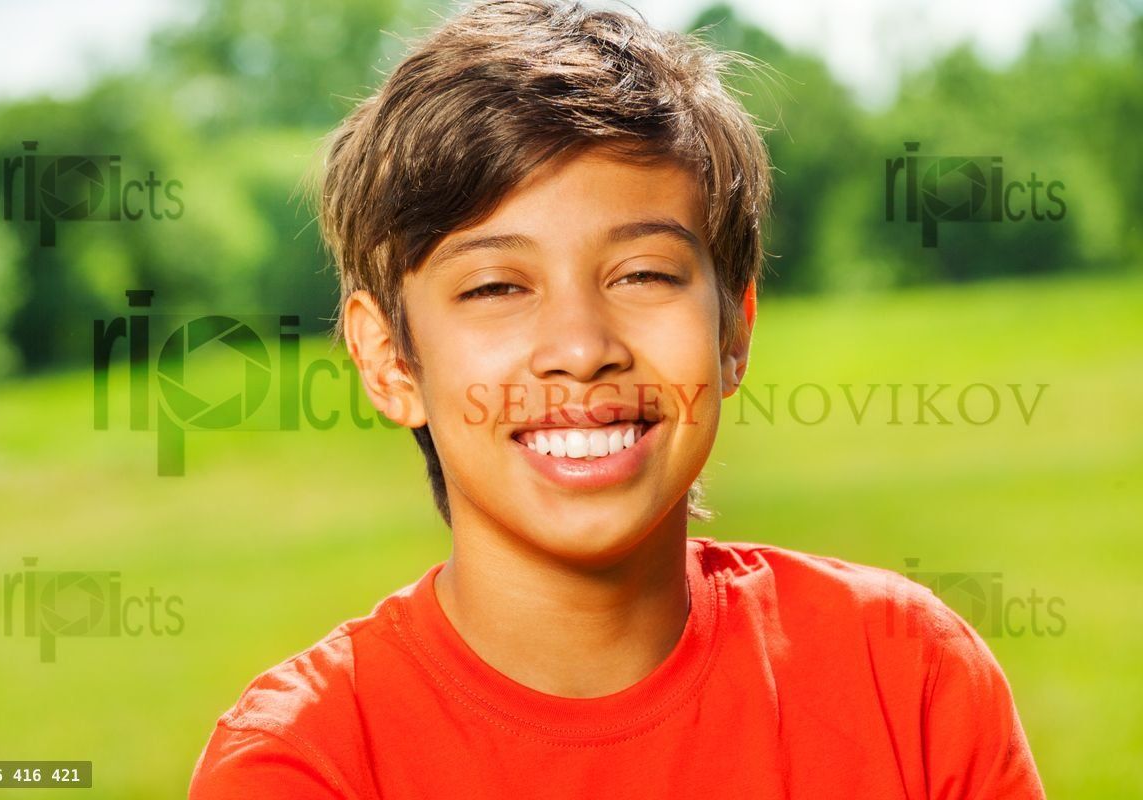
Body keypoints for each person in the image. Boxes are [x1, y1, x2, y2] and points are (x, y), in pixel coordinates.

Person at [189, 1, 1046, 797]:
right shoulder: (307, 761)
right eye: (494, 287)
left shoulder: (904, 674)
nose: (582, 348)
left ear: (734, 329)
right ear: (389, 360)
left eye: (643, 273)